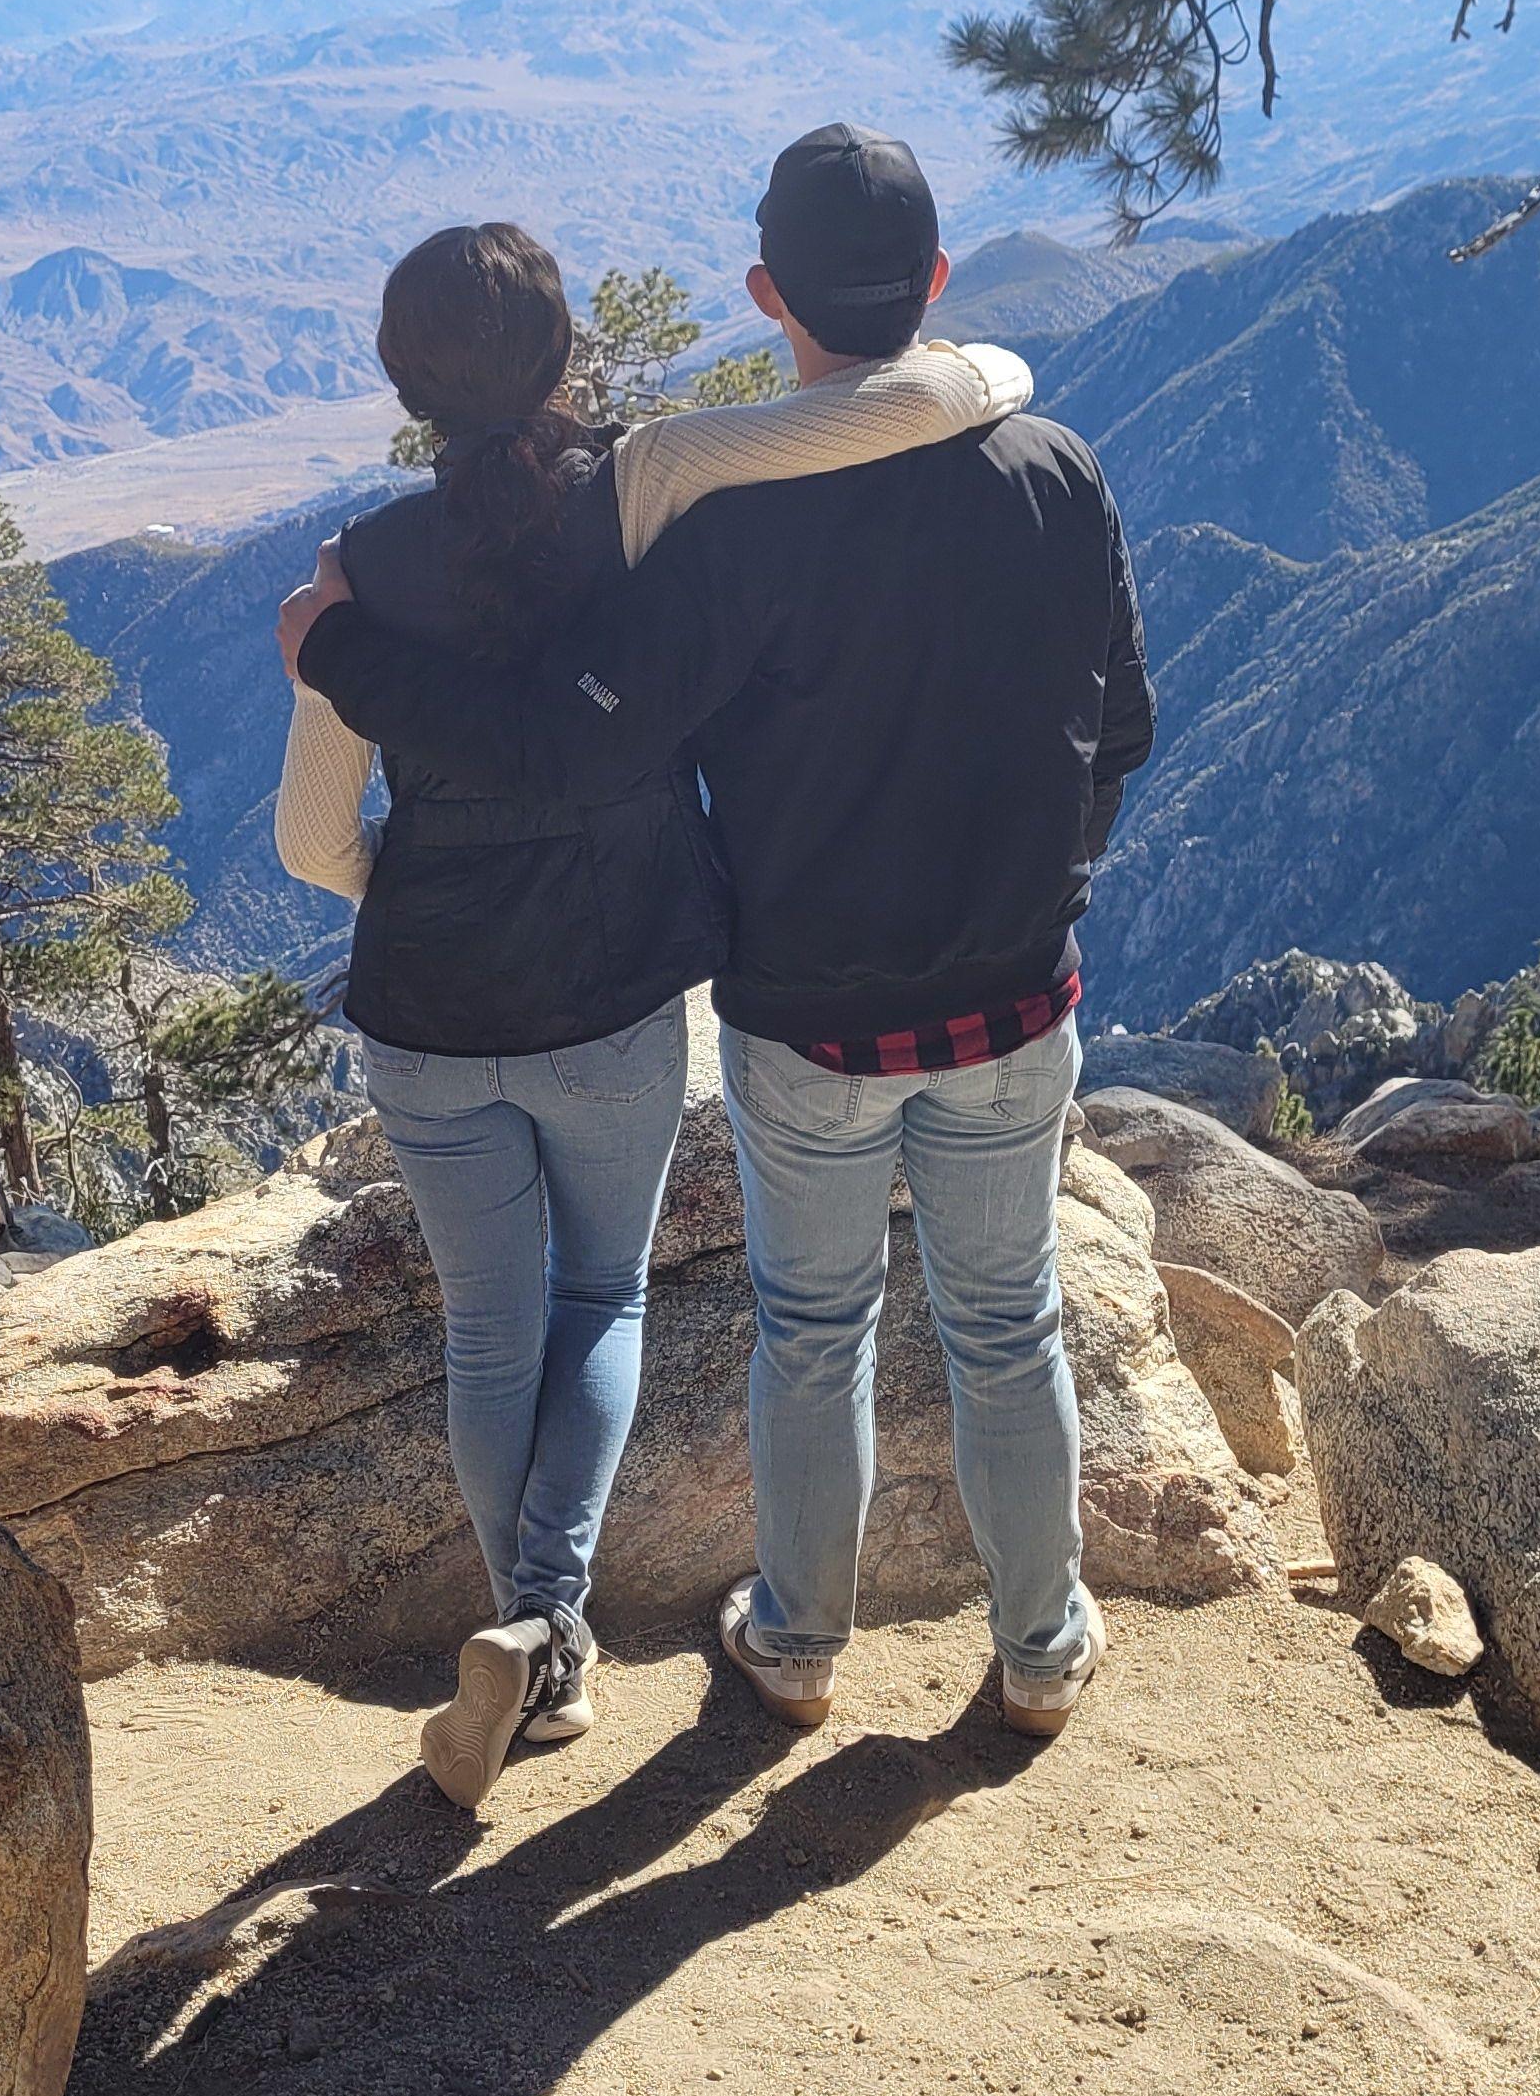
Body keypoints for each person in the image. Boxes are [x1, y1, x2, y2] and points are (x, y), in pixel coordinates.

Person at [284, 128, 1150, 1747]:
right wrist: (1047, 882)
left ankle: (800, 1642)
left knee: (813, 1328)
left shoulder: (724, 526)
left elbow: (582, 743)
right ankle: (1040, 1650)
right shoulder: (1058, 471)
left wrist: (348, 657)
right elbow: (1123, 728)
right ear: (942, 282)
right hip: (1016, 997)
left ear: (766, 295)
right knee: (1008, 1317)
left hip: (802, 1006)